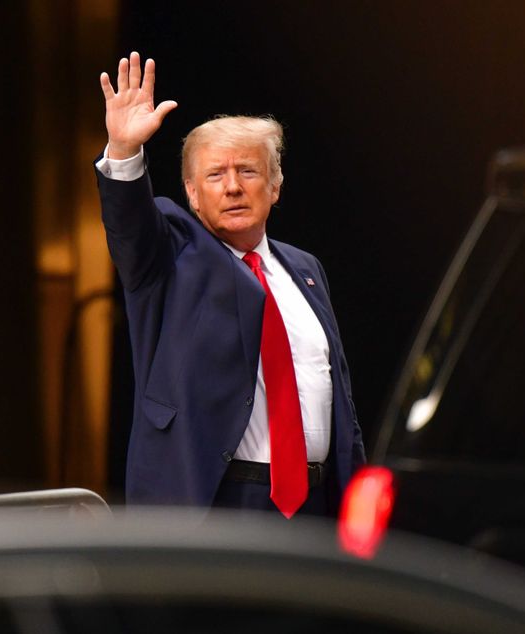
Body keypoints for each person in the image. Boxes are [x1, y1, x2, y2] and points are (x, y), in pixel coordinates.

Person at [96, 52, 364, 517]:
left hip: (316, 507)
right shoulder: (170, 253)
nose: (233, 187)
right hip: (219, 504)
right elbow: (130, 225)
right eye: (215, 175)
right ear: (193, 194)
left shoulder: (306, 268)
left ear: (275, 186)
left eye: (248, 171)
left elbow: (338, 394)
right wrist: (123, 151)